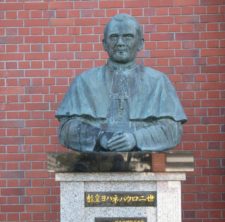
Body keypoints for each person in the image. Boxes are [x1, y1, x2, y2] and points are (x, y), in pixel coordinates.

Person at [55, 14, 187, 152]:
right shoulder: (84, 82)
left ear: (140, 43)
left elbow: (173, 130)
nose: (120, 43)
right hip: (95, 164)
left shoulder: (158, 82)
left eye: (127, 36)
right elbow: (66, 129)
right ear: (104, 44)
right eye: (113, 37)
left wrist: (136, 139)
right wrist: (100, 137)